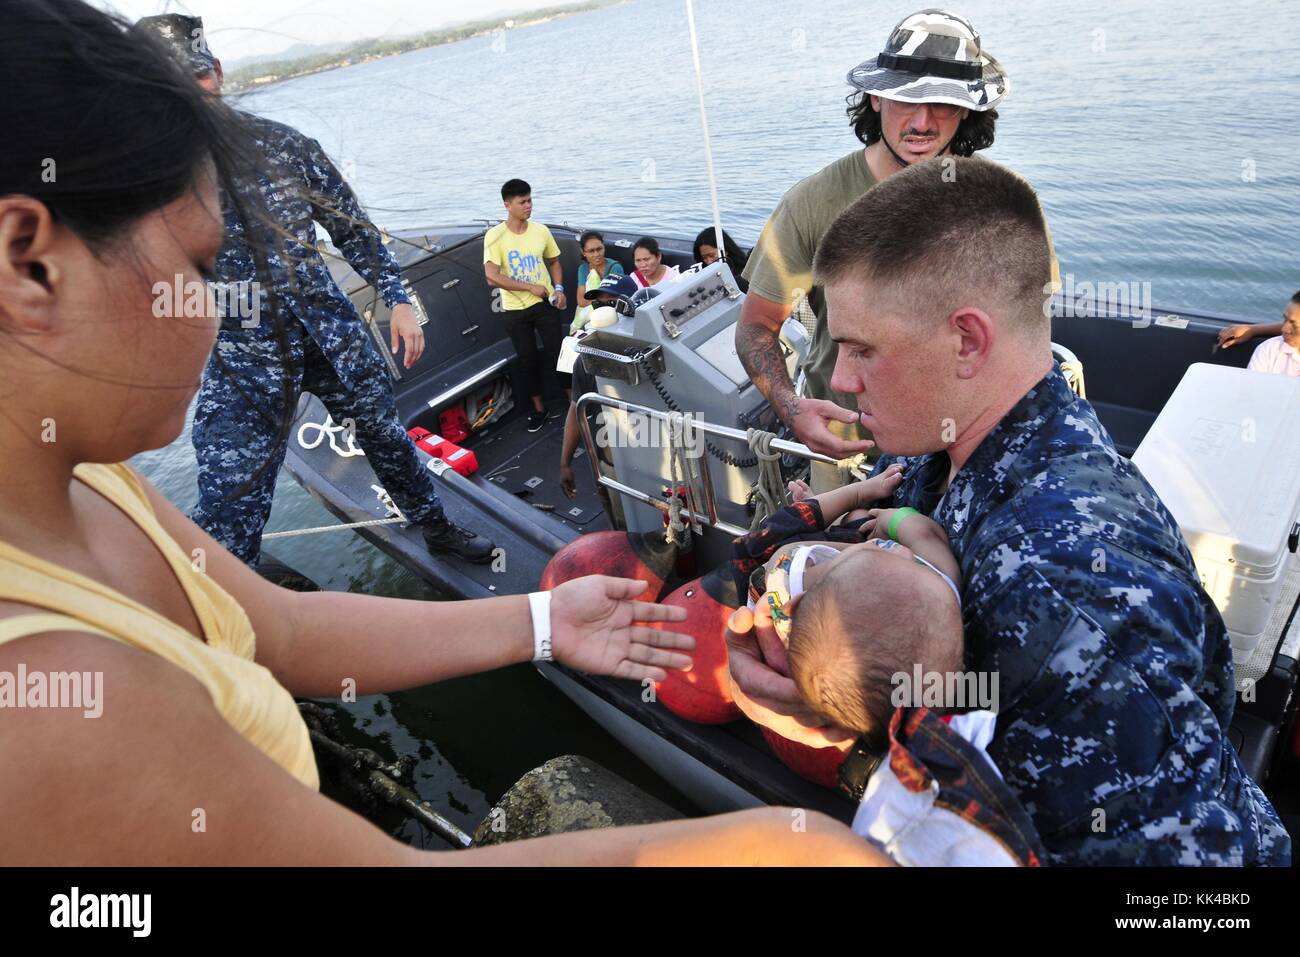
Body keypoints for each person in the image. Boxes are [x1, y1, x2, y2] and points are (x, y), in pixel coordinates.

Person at [0, 0, 890, 867]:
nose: (209, 308)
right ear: (29, 262)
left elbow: (282, 628)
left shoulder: (95, 487)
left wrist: (543, 621)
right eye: (197, 269)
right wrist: (765, 845)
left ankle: (441, 521)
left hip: (334, 349)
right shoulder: (50, 708)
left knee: (393, 452)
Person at [727, 155, 1291, 866]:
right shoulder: (938, 447)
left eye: (862, 348)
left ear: (967, 340)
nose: (839, 378)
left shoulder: (1069, 595)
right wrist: (840, 700)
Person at [133, 15, 495, 568]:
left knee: (388, 441)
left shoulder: (286, 147)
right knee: (230, 500)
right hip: (244, 360)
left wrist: (398, 299)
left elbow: (353, 230)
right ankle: (229, 607)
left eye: (198, 79)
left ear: (219, 73)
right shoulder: (146, 180)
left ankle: (436, 529)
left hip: (333, 337)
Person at [735, 9, 1011, 491]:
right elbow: (756, 326)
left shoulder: (996, 202)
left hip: (962, 450)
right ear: (877, 97)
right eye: (907, 99)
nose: (923, 121)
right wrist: (792, 407)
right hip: (849, 456)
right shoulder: (813, 203)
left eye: (943, 103)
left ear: (967, 109)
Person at [483, 179, 569, 432]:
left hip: (546, 305)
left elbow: (554, 262)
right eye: (522, 202)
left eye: (530, 200)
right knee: (527, 360)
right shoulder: (495, 236)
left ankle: (574, 403)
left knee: (559, 355)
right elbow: (492, 277)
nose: (528, 206)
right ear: (507, 205)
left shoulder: (541, 230)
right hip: (515, 310)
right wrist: (529, 287)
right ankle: (539, 410)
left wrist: (560, 289)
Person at [571, 230, 625, 333]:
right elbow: (581, 301)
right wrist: (601, 300)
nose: (597, 254)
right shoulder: (583, 269)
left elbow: (615, 300)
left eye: (599, 249)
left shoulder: (615, 268)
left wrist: (594, 300)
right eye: (591, 251)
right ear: (584, 252)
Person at [1239, 292, 1299, 376]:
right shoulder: (1269, 349)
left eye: (1294, 325)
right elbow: (1252, 386)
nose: (1284, 329)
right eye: (1285, 319)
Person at [693, 226, 749, 292]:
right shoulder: (702, 272)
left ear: (726, 250)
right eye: (704, 258)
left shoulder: (744, 274)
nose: (708, 262)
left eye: (712, 255)